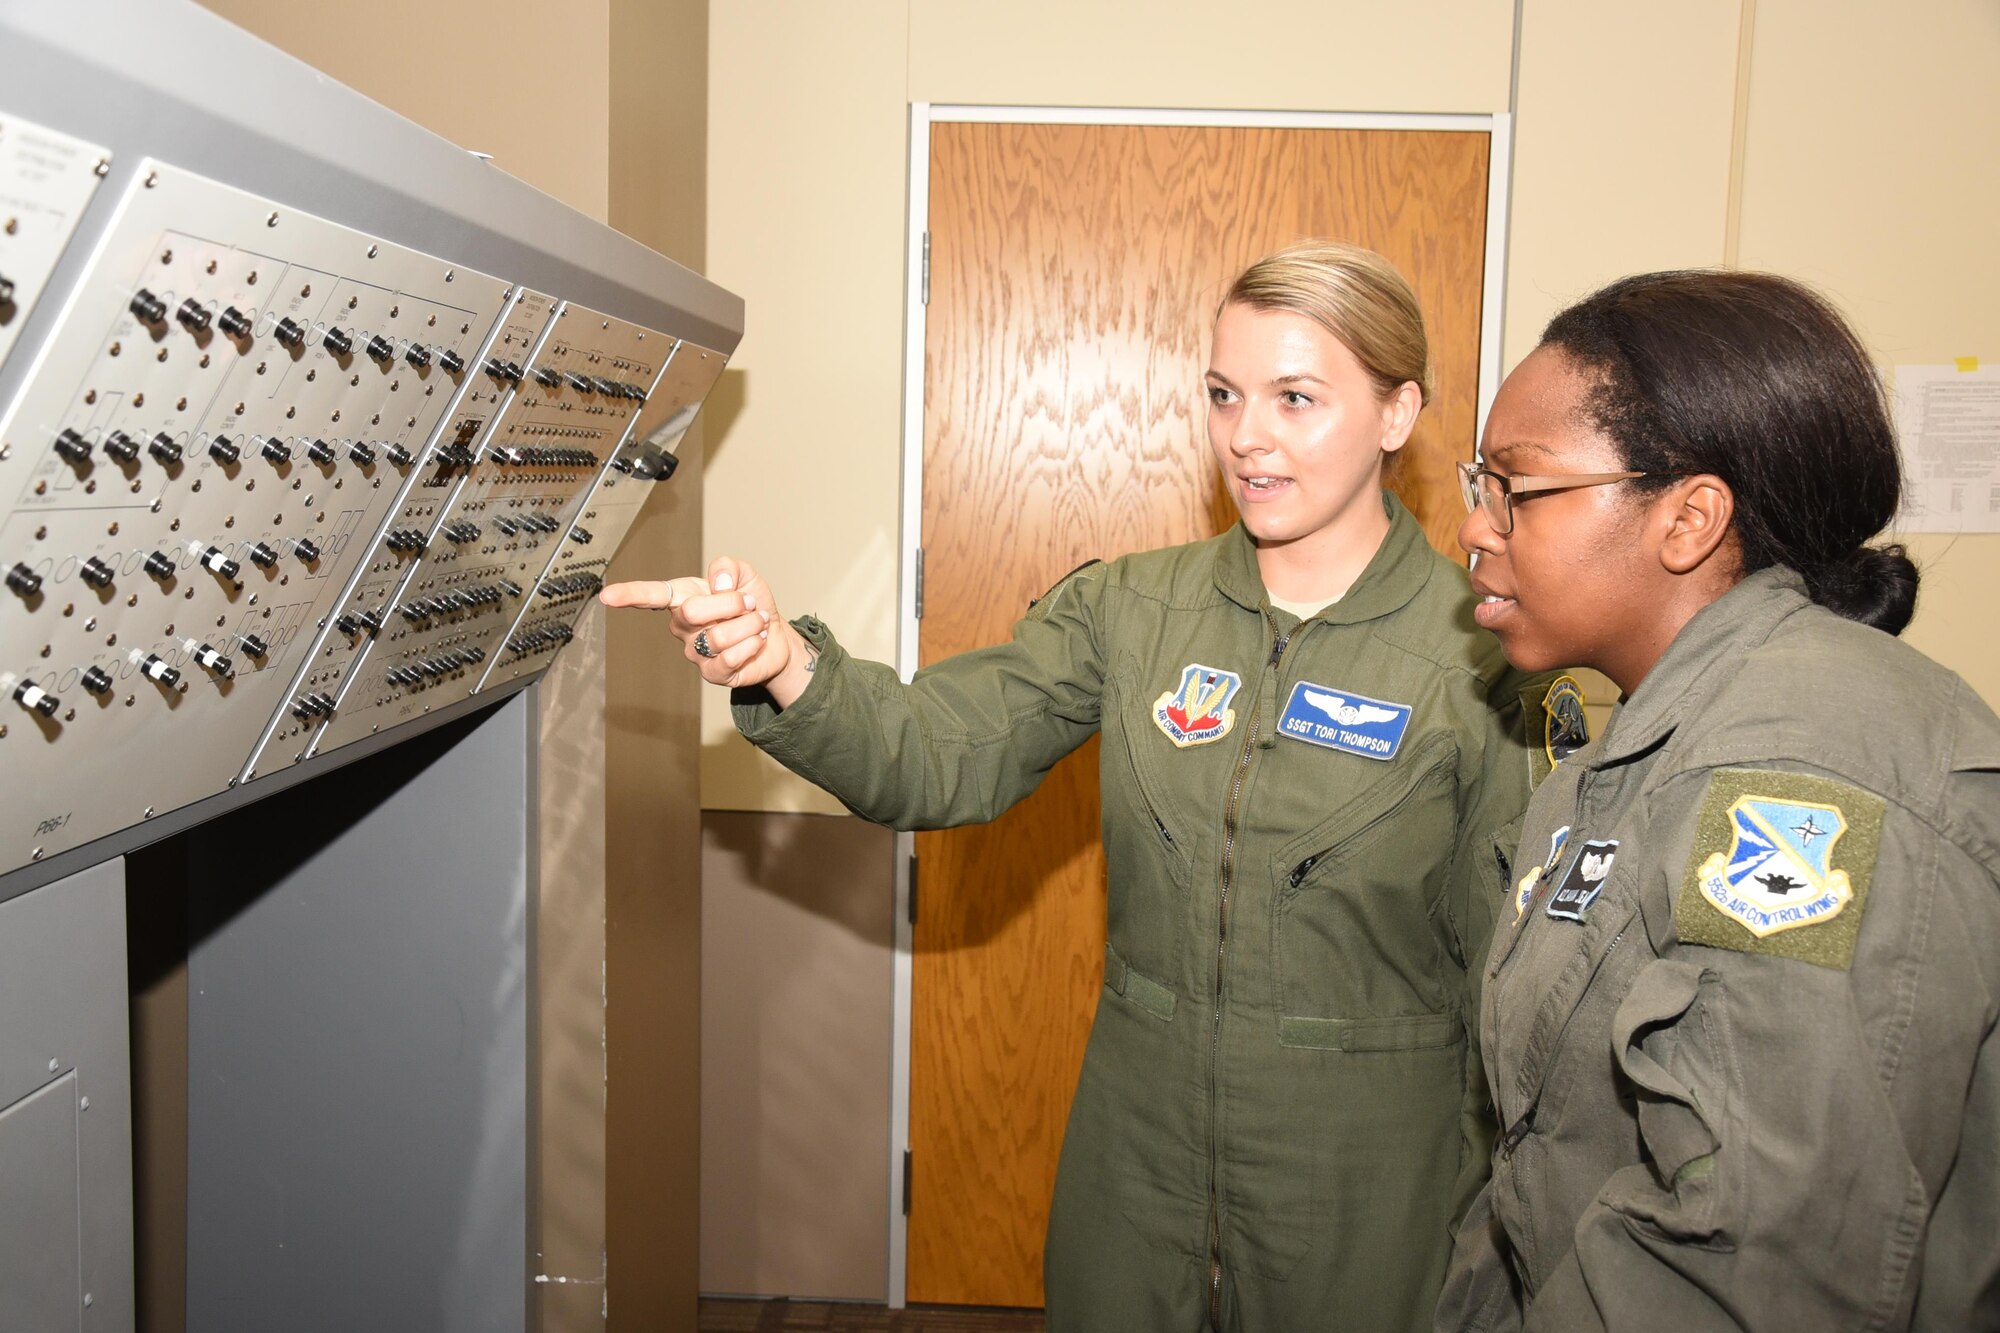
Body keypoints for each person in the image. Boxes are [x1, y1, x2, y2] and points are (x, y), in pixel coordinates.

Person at [606, 242, 1551, 1331]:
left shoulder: (1484, 660)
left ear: (1396, 414)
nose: (1247, 436)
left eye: (1296, 398)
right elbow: (936, 745)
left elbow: (1515, 988)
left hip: (1364, 1184)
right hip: (1135, 1162)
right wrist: (784, 663)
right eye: (1222, 394)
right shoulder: (1133, 611)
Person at [1438, 270, 2000, 1331]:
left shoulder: (1796, 781)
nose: (1474, 525)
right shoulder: (1652, 743)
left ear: (1688, 517)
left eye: (1515, 486)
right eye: (1480, 481)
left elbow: (1753, 1263)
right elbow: (1534, 1156)